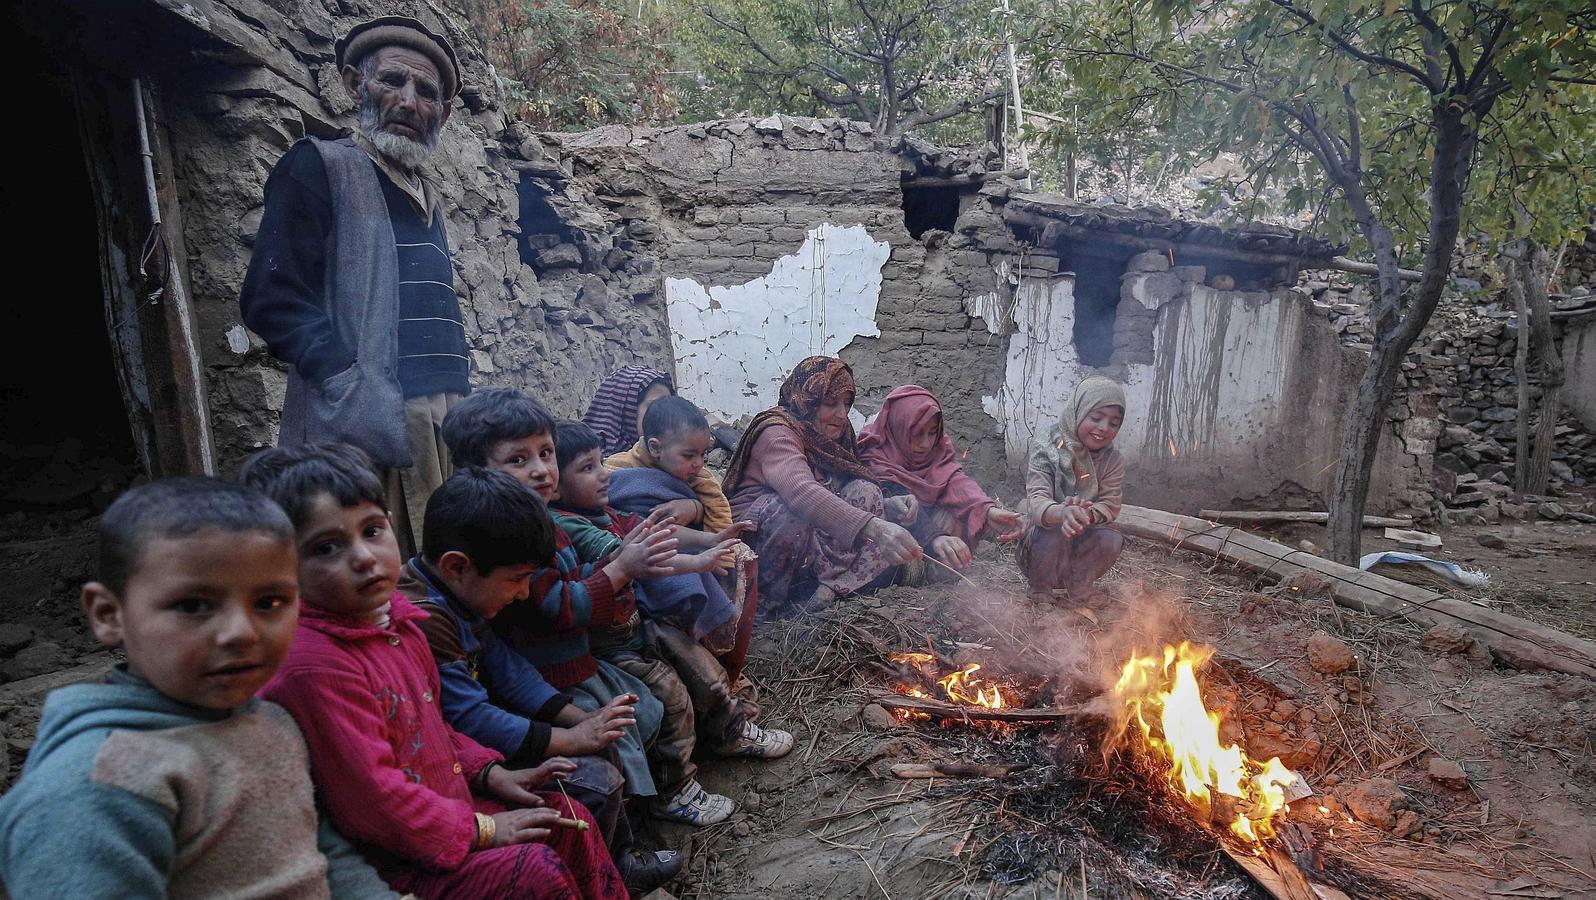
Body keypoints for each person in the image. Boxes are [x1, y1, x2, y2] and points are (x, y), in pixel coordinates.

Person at [243, 443, 622, 898]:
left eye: (373, 529)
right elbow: (376, 801)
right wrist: (482, 829)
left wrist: (490, 774)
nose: (364, 557)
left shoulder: (398, 622)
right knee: (533, 867)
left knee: (568, 823)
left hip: (448, 806)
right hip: (396, 860)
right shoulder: (314, 667)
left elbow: (434, 726)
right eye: (327, 547)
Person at [0, 478, 397, 898]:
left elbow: (327, 856)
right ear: (108, 614)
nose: (240, 633)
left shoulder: (270, 720)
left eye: (270, 602)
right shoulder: (100, 783)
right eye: (192, 606)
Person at [239, 16, 469, 557]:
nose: (409, 102)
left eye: (427, 91)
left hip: (444, 416)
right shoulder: (320, 166)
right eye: (392, 81)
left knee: (441, 564)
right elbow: (271, 297)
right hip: (363, 416)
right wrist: (347, 382)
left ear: (445, 111)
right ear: (352, 83)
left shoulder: (427, 196)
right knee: (368, 569)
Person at [399, 467, 681, 893]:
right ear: (456, 567)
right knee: (591, 782)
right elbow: (468, 716)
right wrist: (568, 740)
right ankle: (610, 872)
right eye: (517, 580)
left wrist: (576, 719)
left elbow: (507, 669)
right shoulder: (427, 620)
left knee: (598, 747)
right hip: (452, 769)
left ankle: (620, 860)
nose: (524, 593)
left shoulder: (461, 596)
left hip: (473, 752)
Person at [438, 388, 683, 818]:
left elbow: (505, 660)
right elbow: (557, 606)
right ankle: (639, 829)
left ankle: (652, 808)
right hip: (555, 676)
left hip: (570, 671)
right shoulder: (488, 547)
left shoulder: (547, 521)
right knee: (604, 758)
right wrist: (620, 569)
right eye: (518, 459)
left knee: (643, 714)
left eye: (546, 453)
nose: (540, 471)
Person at [555, 420, 793, 815]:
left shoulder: (603, 512)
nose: (603, 476)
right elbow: (643, 559)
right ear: (556, 484)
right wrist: (699, 560)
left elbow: (659, 533)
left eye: (600, 463)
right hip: (611, 645)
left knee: (708, 673)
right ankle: (675, 790)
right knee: (673, 699)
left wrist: (709, 539)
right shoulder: (572, 526)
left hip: (639, 625)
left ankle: (729, 734)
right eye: (587, 468)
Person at [723, 356, 922, 611]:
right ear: (808, 401)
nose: (842, 415)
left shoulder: (833, 434)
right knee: (788, 512)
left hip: (809, 539)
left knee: (867, 491)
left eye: (847, 404)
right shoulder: (776, 433)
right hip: (760, 542)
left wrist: (885, 506)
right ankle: (764, 606)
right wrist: (876, 527)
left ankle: (828, 588)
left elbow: (834, 492)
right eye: (830, 403)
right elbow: (801, 492)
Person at [857, 385, 1025, 576]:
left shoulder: (937, 450)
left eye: (932, 433)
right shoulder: (874, 454)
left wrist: (988, 511)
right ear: (898, 427)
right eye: (917, 434)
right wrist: (935, 537)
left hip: (931, 536)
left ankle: (937, 569)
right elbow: (894, 494)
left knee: (955, 516)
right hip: (889, 542)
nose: (926, 444)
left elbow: (955, 481)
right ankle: (913, 572)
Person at [585, 366, 733, 531]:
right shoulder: (596, 467)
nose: (665, 413)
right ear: (624, 408)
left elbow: (718, 517)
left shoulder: (689, 465)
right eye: (655, 404)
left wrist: (695, 509)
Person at [1019, 376, 1127, 597]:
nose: (1103, 428)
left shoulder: (1112, 460)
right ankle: (1040, 593)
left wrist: (1084, 514)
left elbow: (1111, 505)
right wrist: (1063, 513)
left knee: (1111, 538)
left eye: (1113, 423)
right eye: (1096, 417)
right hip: (1040, 549)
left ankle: (1079, 590)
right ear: (1078, 412)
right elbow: (1037, 500)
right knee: (1053, 532)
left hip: (1082, 541)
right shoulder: (1047, 447)